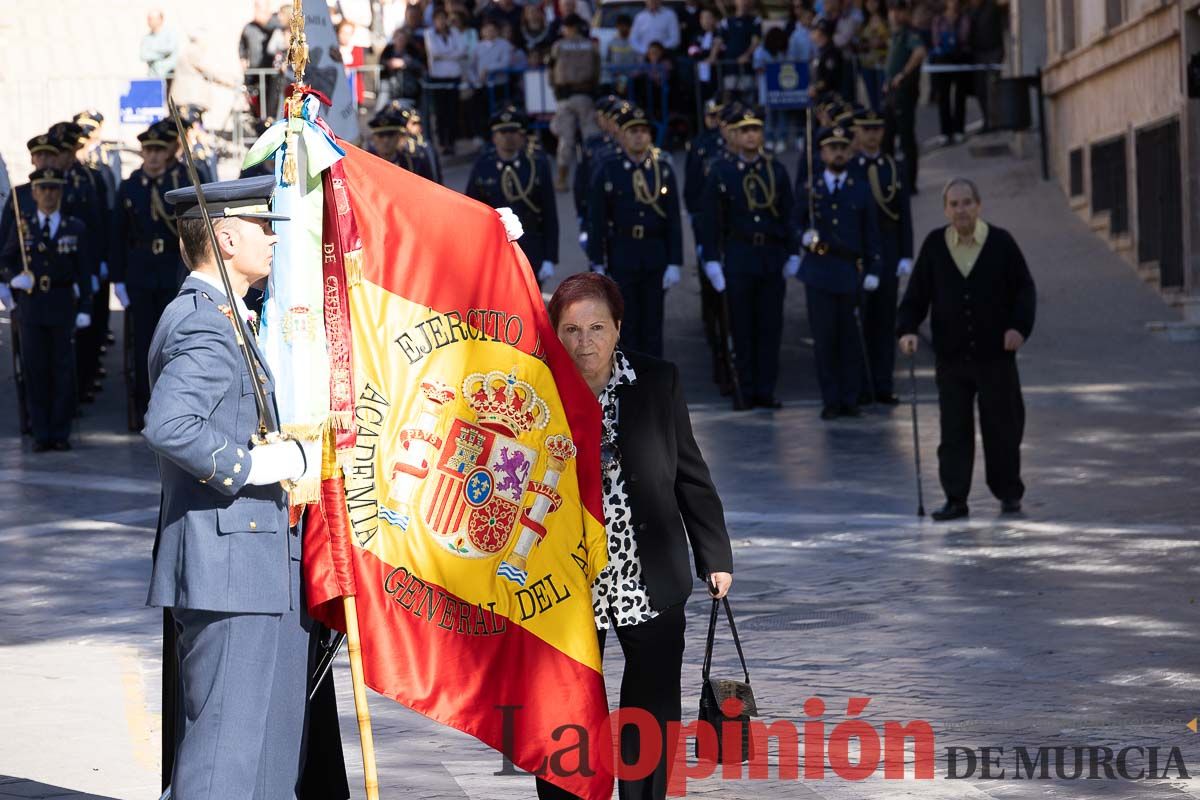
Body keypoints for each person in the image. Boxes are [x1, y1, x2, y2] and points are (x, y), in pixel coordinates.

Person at [144, 174, 318, 797]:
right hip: (229, 566)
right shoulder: (204, 325)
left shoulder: (224, 318)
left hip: (256, 559)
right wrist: (258, 466)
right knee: (223, 761)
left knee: (268, 762)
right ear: (223, 235)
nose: (273, 238)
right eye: (262, 225)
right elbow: (169, 424)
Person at [536, 271, 733, 800]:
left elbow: (691, 473)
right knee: (565, 710)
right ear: (555, 333)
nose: (585, 343)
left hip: (646, 573)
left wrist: (714, 554)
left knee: (651, 710)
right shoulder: (536, 390)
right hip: (566, 584)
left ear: (619, 329)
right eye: (572, 330)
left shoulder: (658, 381)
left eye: (597, 328)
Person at [897, 178, 1035, 521]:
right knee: (954, 431)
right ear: (946, 209)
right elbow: (915, 296)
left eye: (967, 202)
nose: (961, 210)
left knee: (1003, 427)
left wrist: (1018, 327)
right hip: (952, 357)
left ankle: (1008, 492)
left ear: (979, 205)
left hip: (996, 356)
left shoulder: (1001, 242)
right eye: (954, 204)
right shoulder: (934, 245)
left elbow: (1024, 290)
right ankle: (956, 498)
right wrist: (907, 330)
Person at [700, 106, 796, 410]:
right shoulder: (721, 171)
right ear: (735, 136)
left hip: (769, 255)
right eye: (745, 131)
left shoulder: (775, 170)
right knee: (741, 327)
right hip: (739, 255)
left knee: (770, 326)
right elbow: (711, 220)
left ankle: (765, 390)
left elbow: (788, 214)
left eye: (755, 130)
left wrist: (793, 252)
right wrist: (712, 259)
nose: (751, 135)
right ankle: (744, 388)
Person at [792, 124, 882, 420]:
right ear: (822, 152)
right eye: (833, 148)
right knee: (825, 340)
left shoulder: (861, 189)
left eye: (843, 148)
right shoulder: (810, 188)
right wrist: (802, 236)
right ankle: (830, 399)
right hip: (818, 272)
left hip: (848, 272)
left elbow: (871, 233)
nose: (839, 153)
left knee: (850, 340)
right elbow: (793, 222)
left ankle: (850, 398)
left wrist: (874, 268)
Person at [0, 168, 93, 451]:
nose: (49, 194)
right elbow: (6, 259)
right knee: (35, 369)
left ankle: (60, 432)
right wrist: (12, 279)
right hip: (32, 304)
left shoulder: (74, 227)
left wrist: (85, 306)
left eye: (54, 189)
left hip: (62, 302)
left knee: (63, 370)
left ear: (61, 193)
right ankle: (41, 433)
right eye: (44, 189)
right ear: (34, 193)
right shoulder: (23, 225)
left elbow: (84, 272)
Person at [111, 121, 189, 430]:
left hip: (173, 270)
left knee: (175, 339)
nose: (153, 157)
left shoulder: (182, 181)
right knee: (143, 342)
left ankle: (174, 405)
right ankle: (144, 405)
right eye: (148, 150)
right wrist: (117, 278)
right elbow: (117, 235)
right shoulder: (130, 187)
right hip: (141, 273)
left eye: (159, 150)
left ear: (170, 151)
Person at [587, 106, 682, 358]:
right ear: (622, 136)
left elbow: (673, 219)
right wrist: (597, 260)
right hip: (623, 251)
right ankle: (628, 383)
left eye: (643, 131)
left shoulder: (662, 170)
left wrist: (675, 262)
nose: (639, 136)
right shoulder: (609, 169)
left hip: (654, 253)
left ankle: (653, 387)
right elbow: (597, 219)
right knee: (625, 324)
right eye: (633, 131)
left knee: (653, 323)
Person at [849, 107, 912, 405]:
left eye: (877, 129)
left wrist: (906, 253)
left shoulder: (892, 167)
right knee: (862, 321)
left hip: (887, 248)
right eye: (866, 129)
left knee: (885, 321)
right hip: (859, 252)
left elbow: (904, 214)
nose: (872, 135)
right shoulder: (851, 169)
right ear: (857, 133)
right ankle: (862, 386)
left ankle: (883, 384)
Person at [465, 107, 559, 286]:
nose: (508, 137)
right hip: (495, 250)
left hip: (531, 247)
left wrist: (550, 257)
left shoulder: (537, 165)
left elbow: (549, 213)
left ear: (522, 136)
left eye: (513, 132)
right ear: (494, 137)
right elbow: (471, 213)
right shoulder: (483, 166)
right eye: (502, 132)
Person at [548, 15, 602, 192]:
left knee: (566, 139)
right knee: (591, 137)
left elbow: (551, 70)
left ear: (568, 28)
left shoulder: (558, 46)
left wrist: (555, 90)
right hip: (585, 94)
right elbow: (597, 70)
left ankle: (562, 179)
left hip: (565, 95)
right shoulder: (590, 45)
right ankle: (595, 174)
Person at [882, 0, 927, 193]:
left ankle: (910, 183)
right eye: (891, 10)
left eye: (897, 11)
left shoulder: (910, 33)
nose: (894, 15)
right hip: (892, 93)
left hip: (904, 93)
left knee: (906, 138)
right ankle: (890, 181)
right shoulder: (896, 34)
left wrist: (902, 74)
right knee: (887, 139)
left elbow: (919, 53)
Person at [425, 8, 468, 155]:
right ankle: (443, 142)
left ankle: (452, 141)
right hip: (438, 77)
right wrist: (452, 54)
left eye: (444, 19)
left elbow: (462, 50)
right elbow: (435, 52)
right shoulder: (430, 34)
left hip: (453, 76)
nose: (442, 22)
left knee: (453, 111)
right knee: (441, 112)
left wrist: (446, 56)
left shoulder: (454, 33)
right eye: (439, 19)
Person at [930, 0, 972, 145]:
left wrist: (953, 41)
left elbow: (964, 37)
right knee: (944, 96)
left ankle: (959, 129)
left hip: (960, 58)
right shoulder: (938, 19)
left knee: (960, 96)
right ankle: (945, 131)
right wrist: (946, 43)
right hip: (943, 60)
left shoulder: (964, 18)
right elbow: (936, 40)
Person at [366, 104, 438, 181]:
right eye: (381, 135)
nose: (386, 140)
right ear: (373, 138)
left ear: (400, 137)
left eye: (391, 135)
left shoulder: (413, 163)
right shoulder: (366, 163)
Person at [967, 0, 1005, 130]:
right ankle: (987, 120)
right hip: (978, 53)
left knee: (993, 86)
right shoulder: (970, 11)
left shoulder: (992, 6)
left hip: (993, 50)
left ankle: (996, 121)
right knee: (981, 89)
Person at [856, 0, 889, 111]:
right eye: (868, 2)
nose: (871, 4)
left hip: (882, 63)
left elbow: (890, 39)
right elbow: (859, 41)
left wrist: (881, 43)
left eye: (874, 1)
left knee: (882, 97)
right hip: (867, 63)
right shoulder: (864, 22)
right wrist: (866, 44)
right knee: (872, 99)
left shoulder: (886, 20)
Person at [141, 9, 179, 79]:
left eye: (151, 19)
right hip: (153, 76)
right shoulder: (147, 38)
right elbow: (143, 55)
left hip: (169, 76)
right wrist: (161, 54)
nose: (149, 21)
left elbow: (169, 50)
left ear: (160, 19)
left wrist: (152, 51)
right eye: (148, 19)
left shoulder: (170, 34)